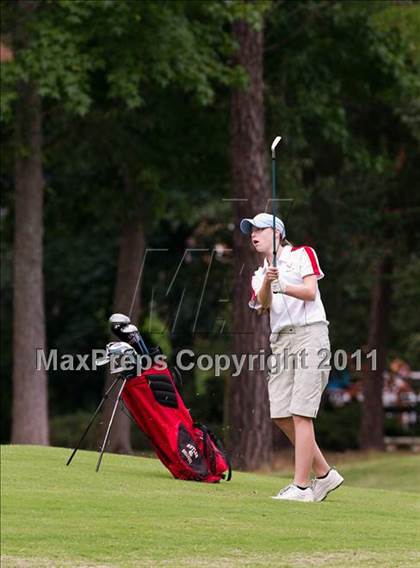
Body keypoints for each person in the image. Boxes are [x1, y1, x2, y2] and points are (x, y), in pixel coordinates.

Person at [240, 212, 344, 502]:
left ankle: (301, 487)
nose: (253, 234)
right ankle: (324, 474)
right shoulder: (259, 274)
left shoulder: (301, 254)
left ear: (276, 233)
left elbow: (311, 292)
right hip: (281, 340)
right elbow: (261, 306)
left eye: (259, 229)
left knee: (301, 412)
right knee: (281, 414)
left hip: (311, 334)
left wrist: (283, 284)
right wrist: (269, 284)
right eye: (251, 231)